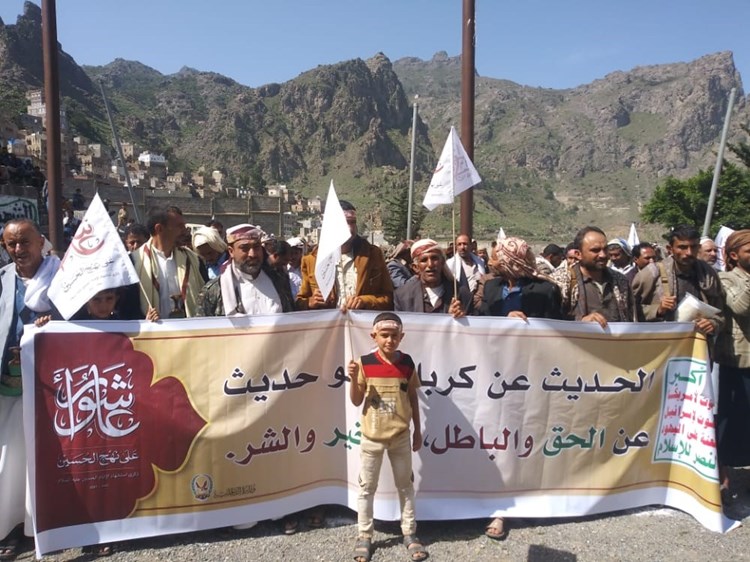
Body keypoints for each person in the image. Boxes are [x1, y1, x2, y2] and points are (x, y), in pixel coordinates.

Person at [0, 219, 61, 560]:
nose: (19, 249)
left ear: (41, 242)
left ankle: (48, 525)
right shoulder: (2, 281)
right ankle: (10, 527)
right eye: (12, 244)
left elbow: (87, 316)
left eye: (25, 242)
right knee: (11, 459)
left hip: (54, 385)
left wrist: (55, 324)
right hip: (9, 385)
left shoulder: (63, 278)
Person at [347, 312, 428, 562]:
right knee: (366, 488)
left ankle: (409, 533)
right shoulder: (363, 363)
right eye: (384, 335)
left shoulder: (407, 363)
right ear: (374, 336)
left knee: (405, 486)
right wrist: (353, 378)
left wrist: (417, 430)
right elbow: (356, 400)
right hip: (372, 437)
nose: (389, 340)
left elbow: (412, 397)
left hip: (401, 436)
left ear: (401, 337)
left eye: (394, 335)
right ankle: (364, 536)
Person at [296, 201, 392, 311]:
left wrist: (365, 301)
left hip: (362, 321)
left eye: (352, 222)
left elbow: (389, 299)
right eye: (343, 223)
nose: (350, 228)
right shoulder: (312, 260)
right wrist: (310, 302)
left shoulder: (373, 255)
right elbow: (300, 302)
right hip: (328, 322)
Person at [632, 225, 723, 337]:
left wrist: (713, 323)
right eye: (682, 247)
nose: (689, 252)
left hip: (697, 342)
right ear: (670, 249)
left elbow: (720, 312)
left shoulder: (709, 274)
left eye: (693, 247)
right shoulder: (651, 274)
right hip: (661, 341)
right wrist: (658, 309)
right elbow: (631, 311)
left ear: (699, 247)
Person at [715, 230, 750, 496]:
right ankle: (723, 476)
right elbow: (740, 307)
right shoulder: (725, 278)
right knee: (730, 419)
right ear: (734, 255)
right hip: (737, 360)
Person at [196, 224, 294, 317]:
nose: (252, 254)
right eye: (244, 248)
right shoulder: (214, 290)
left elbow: (291, 318)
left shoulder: (279, 280)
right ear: (231, 251)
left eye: (256, 247)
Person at [127, 206, 207, 319]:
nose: (185, 231)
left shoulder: (194, 261)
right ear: (159, 229)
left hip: (190, 328)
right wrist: (144, 320)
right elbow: (127, 308)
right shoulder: (134, 262)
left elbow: (207, 300)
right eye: (179, 226)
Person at [552, 227, 635, 327]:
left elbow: (631, 319)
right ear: (578, 254)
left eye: (605, 249)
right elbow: (550, 324)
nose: (603, 255)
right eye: (595, 250)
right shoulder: (561, 282)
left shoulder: (620, 281)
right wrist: (580, 322)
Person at [479, 237, 562, 320]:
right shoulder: (490, 287)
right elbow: (482, 320)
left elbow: (554, 324)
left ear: (509, 262)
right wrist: (505, 320)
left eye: (494, 259)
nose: (490, 263)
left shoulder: (544, 291)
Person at [394, 239, 471, 318]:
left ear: (442, 262)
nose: (430, 265)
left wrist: (460, 317)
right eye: (424, 260)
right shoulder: (402, 296)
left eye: (434, 258)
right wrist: (446, 317)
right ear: (416, 267)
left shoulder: (461, 294)